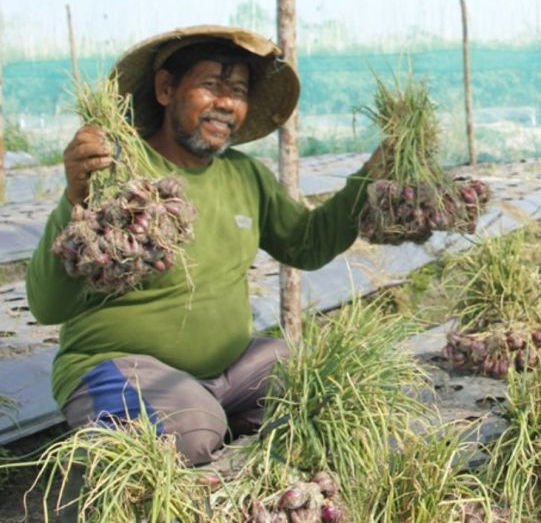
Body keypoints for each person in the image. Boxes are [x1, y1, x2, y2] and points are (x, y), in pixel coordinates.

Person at [27, 25, 382, 469]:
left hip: (229, 372)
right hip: (116, 368)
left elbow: (306, 245)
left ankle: (213, 417)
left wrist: (371, 175)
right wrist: (76, 197)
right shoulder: (118, 175)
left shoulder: (245, 175)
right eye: (211, 85)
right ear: (165, 88)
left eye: (238, 90)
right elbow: (46, 305)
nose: (227, 102)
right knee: (190, 432)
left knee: (325, 392)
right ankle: (178, 431)